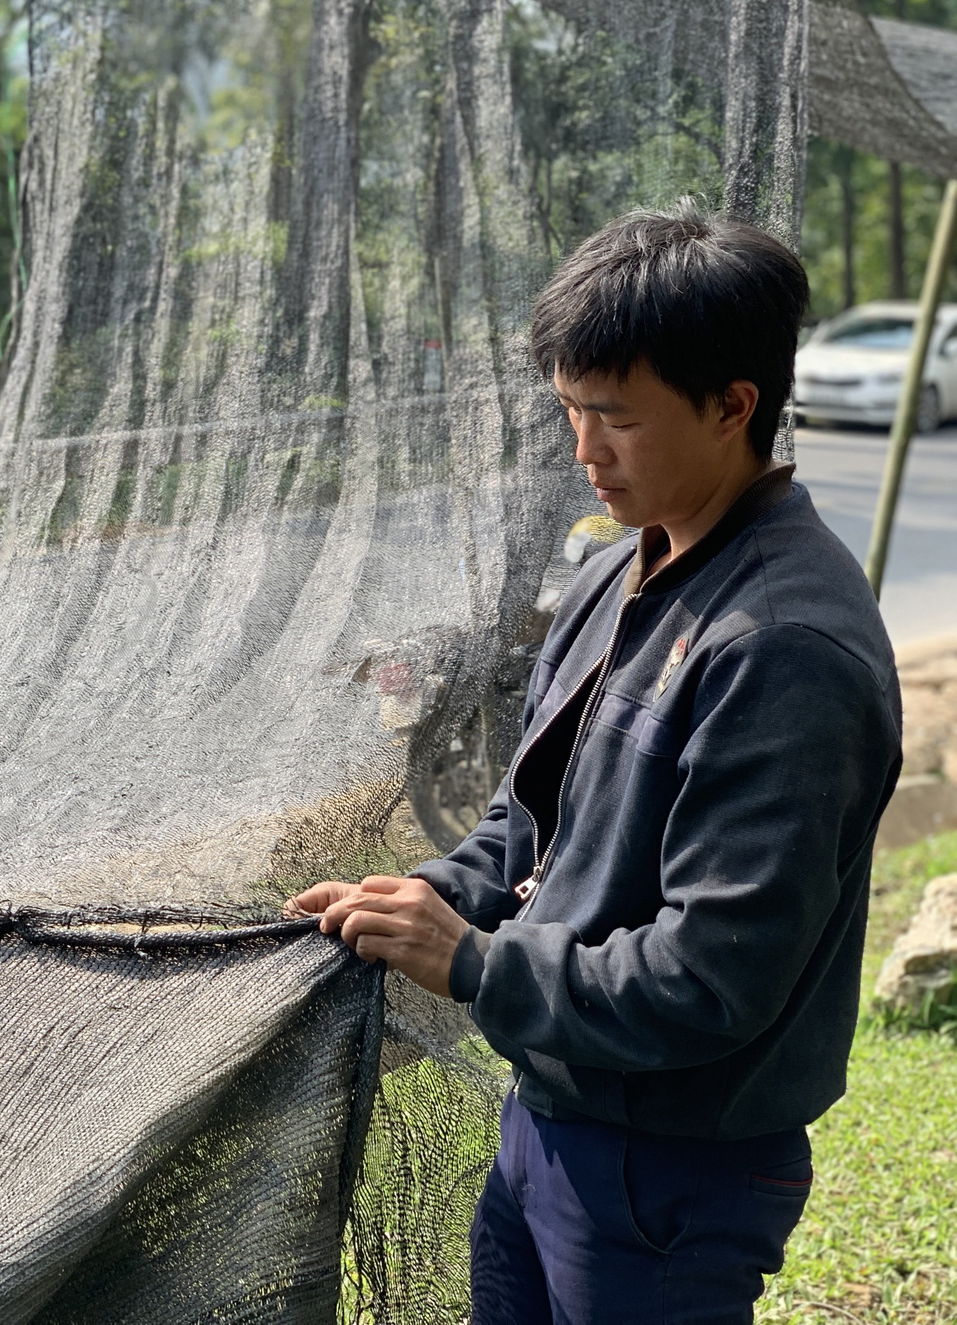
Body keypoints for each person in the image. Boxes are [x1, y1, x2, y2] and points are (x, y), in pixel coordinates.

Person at [290, 202, 902, 1323]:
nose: (583, 452)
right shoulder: (618, 574)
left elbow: (709, 977)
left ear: (732, 407)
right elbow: (530, 832)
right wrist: (420, 900)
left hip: (670, 1163)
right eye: (570, 413)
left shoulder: (780, 648)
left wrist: (473, 964)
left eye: (614, 419)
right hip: (553, 1112)